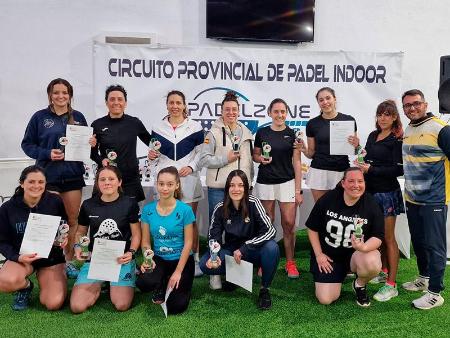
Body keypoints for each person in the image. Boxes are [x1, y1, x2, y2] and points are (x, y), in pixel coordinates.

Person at [21, 78, 95, 270]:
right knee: (49, 220)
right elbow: (27, 145)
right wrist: (46, 153)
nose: (61, 96)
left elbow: (85, 146)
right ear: (50, 95)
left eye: (65, 93)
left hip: (72, 176)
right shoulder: (39, 117)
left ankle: (68, 261)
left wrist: (90, 144)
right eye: (56, 93)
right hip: (48, 177)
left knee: (72, 220)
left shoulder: (78, 117)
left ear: (70, 95)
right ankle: (48, 262)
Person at [199, 170, 279, 309]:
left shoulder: (254, 203)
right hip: (232, 251)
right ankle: (234, 277)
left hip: (253, 250)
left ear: (246, 187)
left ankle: (264, 289)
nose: (236, 189)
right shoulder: (220, 207)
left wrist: (245, 248)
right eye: (232, 185)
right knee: (203, 264)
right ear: (227, 188)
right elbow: (214, 236)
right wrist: (215, 256)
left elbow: (270, 230)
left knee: (272, 248)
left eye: (240, 185)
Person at [199, 90, 254, 289]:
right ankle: (214, 271)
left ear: (239, 111)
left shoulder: (246, 132)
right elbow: (203, 159)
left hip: (241, 190)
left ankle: (236, 272)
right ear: (221, 111)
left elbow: (248, 162)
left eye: (234, 109)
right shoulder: (212, 133)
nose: (231, 112)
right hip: (219, 188)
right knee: (216, 230)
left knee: (240, 231)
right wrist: (225, 159)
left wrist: (251, 183)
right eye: (227, 109)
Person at [401, 89, 450, 310]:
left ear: (425, 103)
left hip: (434, 200)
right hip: (412, 198)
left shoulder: (441, 128)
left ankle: (435, 293)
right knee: (419, 242)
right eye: (407, 105)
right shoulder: (410, 128)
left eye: (416, 104)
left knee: (435, 246)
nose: (412, 108)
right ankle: (424, 278)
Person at [306, 167, 384, 307]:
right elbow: (312, 228)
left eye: (360, 181)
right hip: (330, 257)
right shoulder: (329, 198)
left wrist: (363, 247)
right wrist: (319, 255)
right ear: (343, 183)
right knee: (326, 299)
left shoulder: (371, 203)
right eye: (351, 181)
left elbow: (378, 237)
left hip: (355, 256)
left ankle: (359, 284)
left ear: (365, 183)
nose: (356, 185)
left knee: (372, 261)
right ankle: (336, 277)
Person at [147, 90, 205, 277]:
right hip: (165, 182)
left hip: (188, 179)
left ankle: (194, 259)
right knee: (164, 221)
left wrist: (191, 166)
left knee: (190, 222)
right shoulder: (157, 127)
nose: (175, 106)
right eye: (171, 102)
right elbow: (154, 157)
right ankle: (163, 258)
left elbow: (201, 153)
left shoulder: (195, 127)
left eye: (178, 102)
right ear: (167, 105)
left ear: (184, 105)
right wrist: (151, 156)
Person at [70, 166, 141, 313]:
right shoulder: (88, 205)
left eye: (111, 179)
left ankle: (121, 278)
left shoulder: (129, 204)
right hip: (96, 260)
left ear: (119, 182)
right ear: (97, 183)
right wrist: (78, 246)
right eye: (102, 179)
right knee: (77, 306)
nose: (107, 182)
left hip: (121, 260)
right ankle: (102, 282)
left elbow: (137, 234)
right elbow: (81, 232)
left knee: (121, 304)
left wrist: (132, 252)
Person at [354, 100, 404, 302]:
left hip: (387, 193)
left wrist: (371, 169)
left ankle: (392, 284)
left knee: (389, 238)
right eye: (380, 114)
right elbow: (365, 158)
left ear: (394, 117)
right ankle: (382, 270)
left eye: (387, 115)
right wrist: (358, 151)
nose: (382, 118)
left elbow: (399, 169)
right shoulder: (373, 136)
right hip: (370, 192)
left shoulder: (397, 139)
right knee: (377, 236)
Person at [0, 165, 68, 310]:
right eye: (31, 182)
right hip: (23, 258)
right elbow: (2, 242)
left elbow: (64, 224)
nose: (36, 186)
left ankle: (63, 270)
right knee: (4, 281)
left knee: (53, 303)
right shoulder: (7, 208)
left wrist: (63, 238)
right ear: (22, 183)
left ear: (45, 184)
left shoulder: (55, 201)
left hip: (50, 258)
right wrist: (17, 257)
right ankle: (26, 287)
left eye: (40, 182)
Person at [253, 98, 303, 278]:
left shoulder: (293, 134)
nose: (280, 115)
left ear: (287, 113)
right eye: (276, 111)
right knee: (268, 223)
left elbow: (297, 163)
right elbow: (255, 154)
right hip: (265, 182)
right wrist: (260, 159)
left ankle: (290, 263)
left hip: (287, 183)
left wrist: (298, 190)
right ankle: (266, 261)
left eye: (283, 112)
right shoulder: (262, 132)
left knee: (288, 224)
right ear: (270, 113)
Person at [136, 166, 195, 315]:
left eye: (169, 184)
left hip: (182, 260)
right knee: (144, 283)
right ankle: (160, 283)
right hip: (159, 258)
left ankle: (178, 282)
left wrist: (178, 272)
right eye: (161, 183)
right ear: (157, 184)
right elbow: (145, 242)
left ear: (177, 185)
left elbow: (189, 243)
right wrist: (148, 259)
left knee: (176, 307)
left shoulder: (185, 210)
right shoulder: (148, 210)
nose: (165, 188)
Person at [91, 84, 151, 203]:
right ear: (106, 103)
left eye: (120, 99)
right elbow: (92, 153)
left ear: (125, 103)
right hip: (107, 179)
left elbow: (152, 142)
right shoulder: (97, 125)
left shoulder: (134, 122)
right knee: (104, 217)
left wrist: (155, 152)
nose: (116, 102)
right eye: (112, 99)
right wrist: (100, 160)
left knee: (132, 218)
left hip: (130, 180)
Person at [300, 87, 358, 202]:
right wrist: (304, 149)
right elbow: (311, 154)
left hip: (341, 171)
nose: (325, 102)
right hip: (319, 172)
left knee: (341, 210)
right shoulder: (312, 124)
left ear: (334, 99)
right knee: (321, 210)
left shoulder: (349, 120)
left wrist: (357, 145)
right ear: (318, 103)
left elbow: (355, 150)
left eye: (328, 98)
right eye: (321, 100)